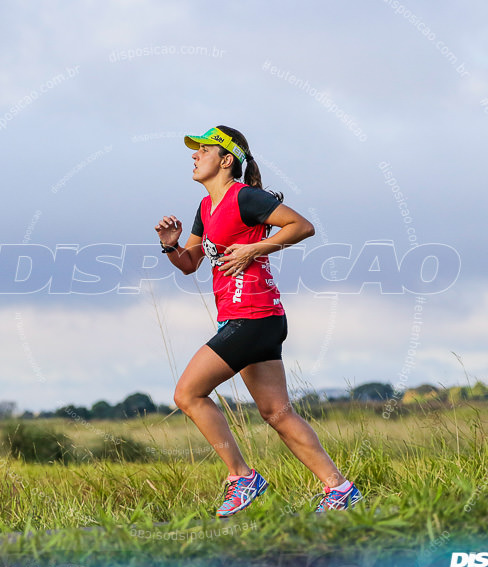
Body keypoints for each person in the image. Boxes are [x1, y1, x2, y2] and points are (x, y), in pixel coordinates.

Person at [154, 126, 362, 516]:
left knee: (187, 394)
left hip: (252, 315)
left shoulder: (246, 198)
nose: (195, 156)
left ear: (226, 159)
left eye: (203, 150)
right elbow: (189, 264)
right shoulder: (205, 208)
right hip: (255, 318)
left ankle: (243, 478)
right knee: (276, 413)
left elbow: (302, 226)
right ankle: (340, 489)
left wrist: (255, 247)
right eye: (194, 151)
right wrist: (171, 244)